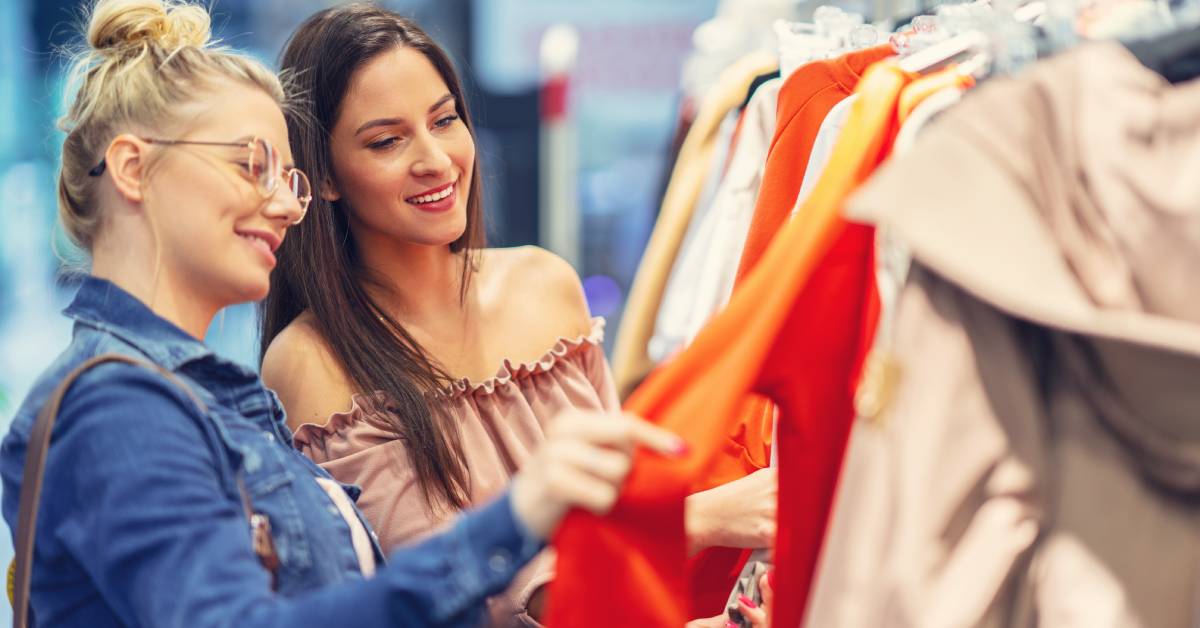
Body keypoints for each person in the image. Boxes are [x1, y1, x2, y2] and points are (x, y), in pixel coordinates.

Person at [0, 1, 682, 626]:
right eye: (251, 165)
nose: (285, 205)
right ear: (131, 168)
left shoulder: (212, 400)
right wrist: (517, 519)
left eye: (286, 177)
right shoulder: (121, 406)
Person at [259, 4, 777, 625]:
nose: (436, 158)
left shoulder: (545, 282)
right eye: (387, 141)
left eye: (444, 120)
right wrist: (704, 519)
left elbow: (619, 527)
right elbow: (458, 597)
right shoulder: (310, 360)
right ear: (325, 175)